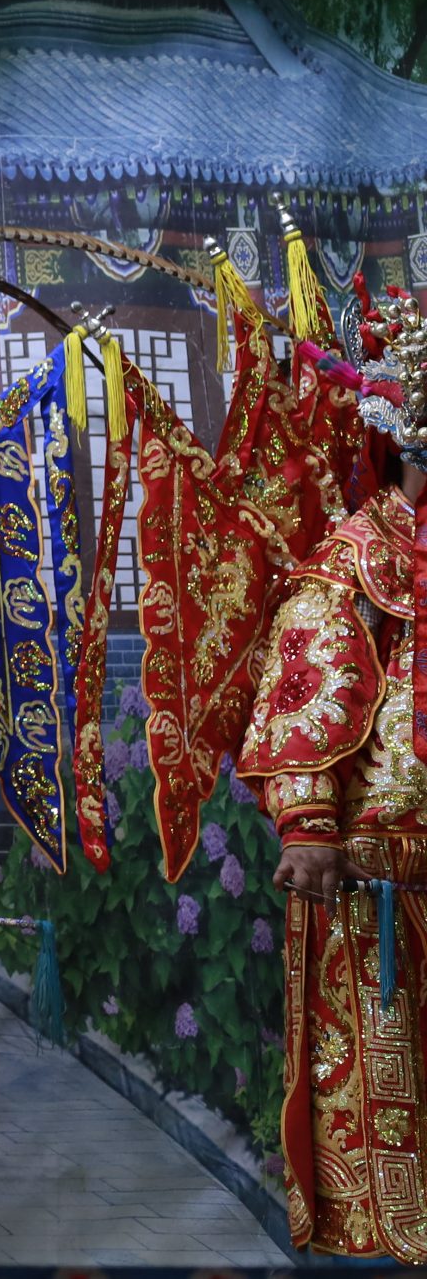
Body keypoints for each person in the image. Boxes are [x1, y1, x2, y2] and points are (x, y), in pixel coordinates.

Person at [240, 279, 427, 1263]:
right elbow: (306, 676)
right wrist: (309, 818)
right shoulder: (357, 558)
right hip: (379, 878)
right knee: (392, 1076)